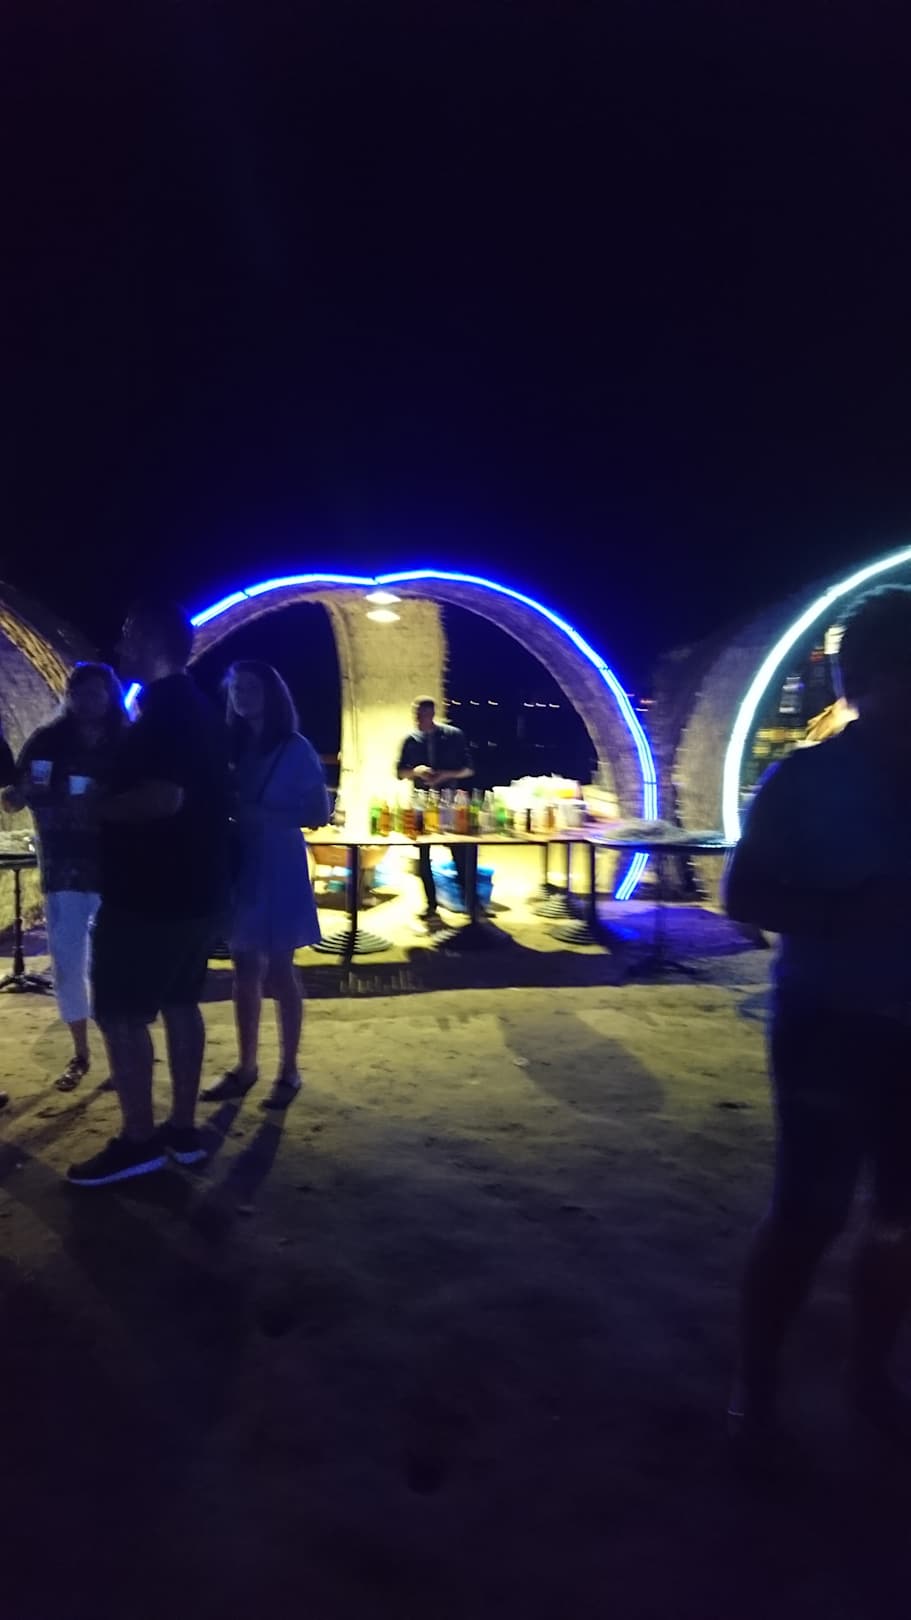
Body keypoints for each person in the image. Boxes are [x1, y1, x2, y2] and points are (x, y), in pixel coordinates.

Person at [724, 584, 911, 1463]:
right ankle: (754, 1395)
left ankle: (870, 1378)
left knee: (901, 1217)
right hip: (828, 1022)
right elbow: (742, 896)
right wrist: (846, 911)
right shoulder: (805, 778)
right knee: (808, 1213)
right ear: (865, 680)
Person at [66, 600, 230, 1188]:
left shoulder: (165, 712)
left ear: (150, 640)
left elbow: (164, 798)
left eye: (127, 633)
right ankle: (182, 1131)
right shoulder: (197, 706)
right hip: (196, 889)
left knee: (118, 1013)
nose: (120, 645)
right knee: (181, 1004)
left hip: (149, 896)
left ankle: (138, 1141)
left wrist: (95, 809)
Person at [201, 661, 328, 1110]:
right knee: (243, 968)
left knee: (279, 969)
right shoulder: (231, 746)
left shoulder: (294, 748)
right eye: (236, 688)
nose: (242, 696)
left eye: (251, 688)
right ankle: (246, 1065)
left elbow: (319, 812)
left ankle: (288, 1068)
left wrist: (262, 816)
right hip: (241, 862)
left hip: (277, 862)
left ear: (272, 694)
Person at [2, 664, 127, 1090]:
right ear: (70, 696)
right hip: (64, 867)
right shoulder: (48, 740)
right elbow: (12, 799)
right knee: (69, 962)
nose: (90, 701)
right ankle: (81, 1053)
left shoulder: (125, 741)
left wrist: (105, 800)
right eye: (81, 693)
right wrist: (21, 793)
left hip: (115, 868)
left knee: (113, 966)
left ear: (111, 696)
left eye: (98, 693)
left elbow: (144, 797)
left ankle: (119, 1056)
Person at [397, 696, 474, 923]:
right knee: (423, 856)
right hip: (421, 803)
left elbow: (469, 769)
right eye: (416, 715)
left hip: (449, 802)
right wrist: (416, 772)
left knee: (460, 853)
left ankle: (471, 906)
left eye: (422, 715)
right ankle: (431, 906)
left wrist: (445, 775)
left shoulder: (453, 736)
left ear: (432, 714)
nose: (418, 719)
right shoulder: (411, 740)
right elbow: (400, 772)